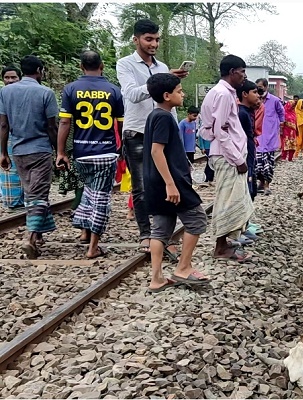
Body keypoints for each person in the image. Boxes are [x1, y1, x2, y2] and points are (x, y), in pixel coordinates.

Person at [117, 18, 189, 253]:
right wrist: (159, 82)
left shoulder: (162, 65)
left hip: (163, 132)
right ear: (136, 39)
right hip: (137, 131)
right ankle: (146, 235)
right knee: (141, 186)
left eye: (157, 39)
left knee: (169, 182)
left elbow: (170, 101)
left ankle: (163, 234)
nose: (154, 44)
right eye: (149, 39)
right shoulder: (125, 64)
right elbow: (131, 94)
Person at [143, 73, 208, 292]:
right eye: (179, 91)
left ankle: (157, 279)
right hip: (171, 182)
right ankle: (183, 267)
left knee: (161, 228)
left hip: (155, 182)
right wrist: (170, 184)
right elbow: (156, 151)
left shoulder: (154, 115)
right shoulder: (163, 117)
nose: (183, 94)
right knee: (197, 219)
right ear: (167, 95)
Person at [57, 50, 125, 259]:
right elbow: (120, 124)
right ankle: (93, 246)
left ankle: (84, 231)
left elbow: (65, 122)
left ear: (80, 66)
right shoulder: (114, 91)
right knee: (101, 198)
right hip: (105, 152)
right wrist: (120, 148)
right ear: (102, 66)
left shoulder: (71, 89)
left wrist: (60, 152)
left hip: (81, 153)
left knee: (88, 192)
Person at [0, 55, 58, 259]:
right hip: (40, 149)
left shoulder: (5, 92)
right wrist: (59, 152)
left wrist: (3, 153)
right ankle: (30, 237)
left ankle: (40, 235)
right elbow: (52, 126)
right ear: (40, 71)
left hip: (18, 150)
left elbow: (4, 125)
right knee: (39, 195)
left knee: (30, 193)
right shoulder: (46, 92)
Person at [199, 55, 254, 262]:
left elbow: (213, 129)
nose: (244, 76)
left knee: (233, 200)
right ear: (232, 72)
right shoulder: (222, 94)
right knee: (227, 201)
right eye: (242, 71)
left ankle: (225, 243)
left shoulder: (224, 93)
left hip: (227, 153)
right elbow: (219, 131)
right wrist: (237, 159)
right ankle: (220, 248)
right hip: (227, 156)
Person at [0, 65, 24, 209]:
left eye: (13, 77)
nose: (10, 80)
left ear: (20, 79)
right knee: (9, 170)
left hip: (22, 135)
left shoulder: (25, 94)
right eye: (7, 78)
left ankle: (24, 200)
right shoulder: (2, 94)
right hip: (5, 137)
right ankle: (13, 201)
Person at [255, 78, 284, 195]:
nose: (258, 89)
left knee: (268, 163)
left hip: (270, 136)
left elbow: (281, 114)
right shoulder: (255, 99)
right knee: (258, 163)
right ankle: (261, 183)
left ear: (266, 87)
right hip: (257, 136)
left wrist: (280, 125)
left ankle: (267, 185)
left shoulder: (275, 100)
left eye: (260, 87)